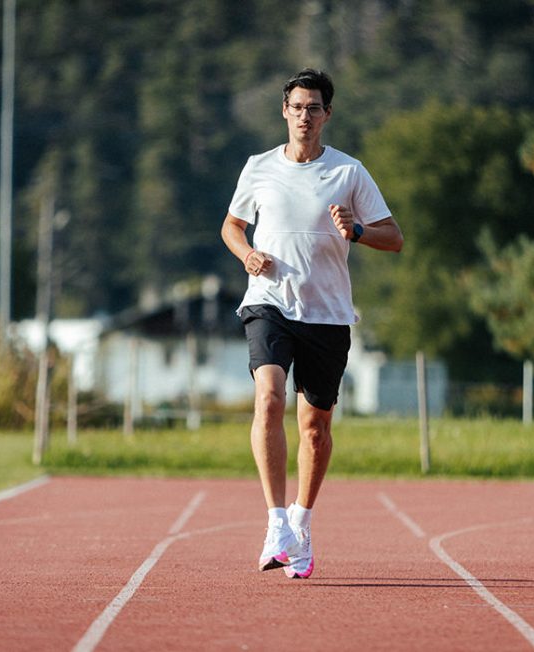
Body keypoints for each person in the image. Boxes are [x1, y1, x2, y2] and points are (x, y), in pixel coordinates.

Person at [220, 68, 404, 579]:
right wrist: (247, 255)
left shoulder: (349, 173)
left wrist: (359, 229)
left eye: (314, 108)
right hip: (269, 302)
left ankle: (301, 523)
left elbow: (395, 238)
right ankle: (275, 522)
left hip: (327, 312)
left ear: (327, 114)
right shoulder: (258, 167)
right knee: (269, 396)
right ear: (284, 111)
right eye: (297, 107)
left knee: (315, 429)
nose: (305, 116)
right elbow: (232, 226)